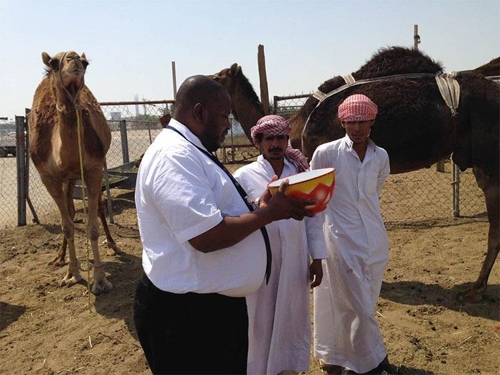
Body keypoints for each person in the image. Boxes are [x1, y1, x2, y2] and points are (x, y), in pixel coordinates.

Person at [133, 75, 316, 375]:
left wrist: (259, 207)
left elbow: (214, 212)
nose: (227, 125)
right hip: (185, 314)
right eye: (223, 117)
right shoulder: (174, 156)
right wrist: (269, 215)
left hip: (206, 307)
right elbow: (205, 236)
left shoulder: (190, 150)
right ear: (200, 112)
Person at [233, 115, 328, 375]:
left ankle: (286, 368)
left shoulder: (300, 174)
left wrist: (317, 257)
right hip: (261, 260)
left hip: (296, 258)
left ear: (288, 140)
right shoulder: (243, 176)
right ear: (259, 143)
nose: (275, 143)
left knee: (292, 313)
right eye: (269, 138)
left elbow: (312, 218)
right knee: (259, 318)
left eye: (280, 138)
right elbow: (236, 217)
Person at [310, 94, 391, 375]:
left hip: (375, 241)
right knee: (360, 306)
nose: (356, 127)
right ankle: (374, 363)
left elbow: (373, 195)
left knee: (359, 303)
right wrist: (317, 246)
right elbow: (316, 198)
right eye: (351, 121)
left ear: (372, 122)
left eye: (362, 121)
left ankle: (335, 356)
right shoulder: (326, 154)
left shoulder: (380, 156)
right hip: (340, 239)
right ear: (342, 122)